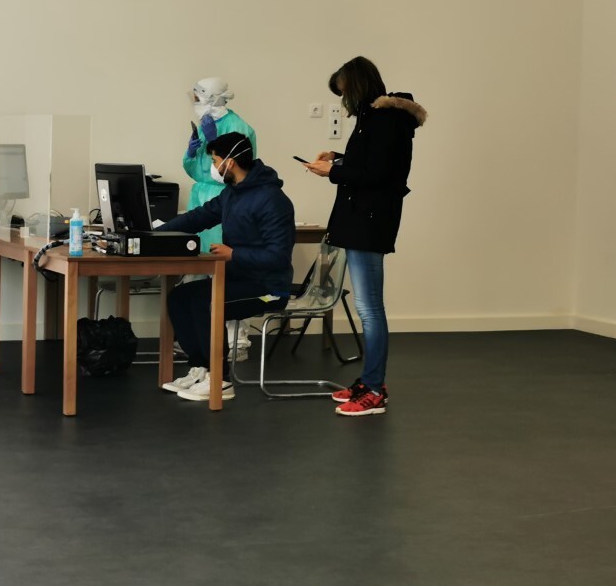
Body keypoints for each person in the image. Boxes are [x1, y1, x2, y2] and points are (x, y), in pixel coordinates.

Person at [303, 56, 426, 417]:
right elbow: (372, 164)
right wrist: (338, 159)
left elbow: (378, 175)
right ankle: (369, 382)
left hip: (370, 222)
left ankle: (374, 390)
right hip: (363, 220)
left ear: (357, 86)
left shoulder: (386, 119)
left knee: (370, 310)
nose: (344, 100)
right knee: (367, 308)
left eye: (344, 91)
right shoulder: (377, 119)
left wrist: (332, 171)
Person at [158, 132, 295, 402]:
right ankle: (201, 368)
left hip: (269, 288)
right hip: (237, 279)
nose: (213, 167)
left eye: (214, 160)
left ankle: (219, 380)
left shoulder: (273, 199)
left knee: (206, 302)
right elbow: (199, 217)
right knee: (179, 297)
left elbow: (279, 257)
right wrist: (156, 233)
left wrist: (235, 254)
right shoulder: (232, 193)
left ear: (229, 162)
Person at [182, 77, 258, 361]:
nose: (195, 102)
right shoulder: (205, 126)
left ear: (213, 98)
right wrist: (192, 152)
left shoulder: (239, 128)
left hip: (225, 202)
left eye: (199, 97)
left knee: (225, 274)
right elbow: (196, 170)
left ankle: (236, 342)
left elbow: (229, 173)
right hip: (201, 200)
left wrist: (213, 142)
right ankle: (198, 339)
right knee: (196, 271)